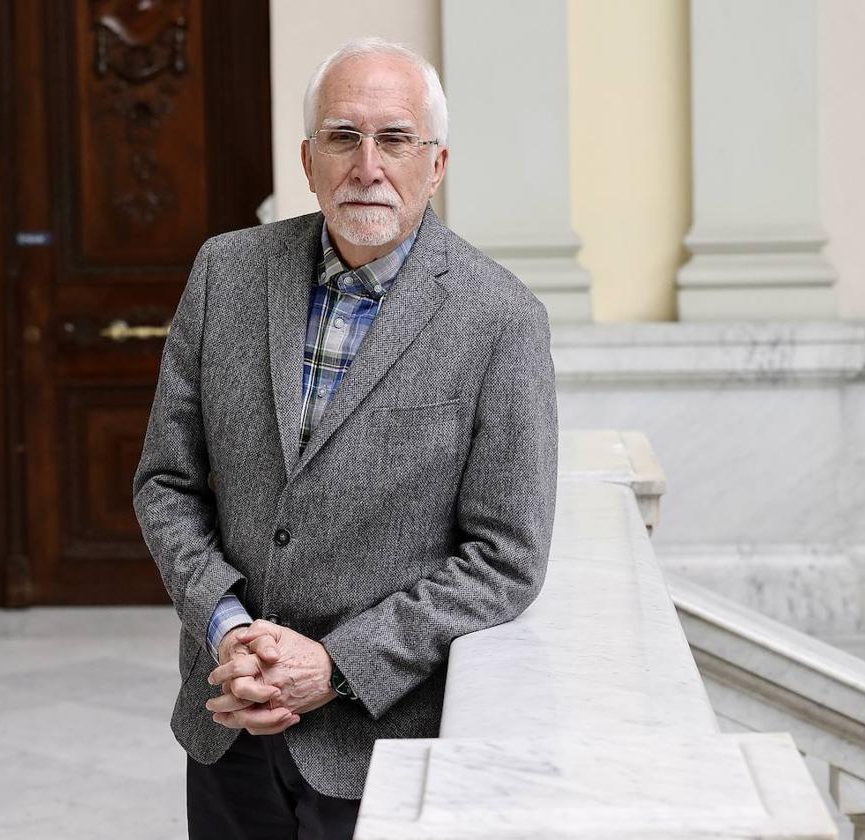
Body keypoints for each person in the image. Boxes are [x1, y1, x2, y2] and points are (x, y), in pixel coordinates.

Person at [132, 36, 558, 839]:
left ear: (436, 165)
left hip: (379, 742)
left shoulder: (501, 320)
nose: (368, 165)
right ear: (308, 159)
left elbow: (507, 556)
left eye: (396, 138)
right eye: (343, 137)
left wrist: (334, 668)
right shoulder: (226, 272)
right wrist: (227, 630)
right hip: (230, 724)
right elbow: (167, 483)